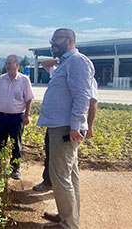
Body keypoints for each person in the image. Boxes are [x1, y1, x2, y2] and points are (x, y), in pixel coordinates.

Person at [36, 28, 95, 229]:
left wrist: (76, 126)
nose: (52, 43)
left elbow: (81, 96)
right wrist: (56, 61)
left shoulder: (77, 61)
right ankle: (68, 217)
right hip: (61, 126)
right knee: (70, 175)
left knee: (60, 176)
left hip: (65, 128)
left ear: (70, 40)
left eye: (56, 39)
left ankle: (68, 224)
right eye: (51, 40)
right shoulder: (66, 62)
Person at [33, 59, 99, 191]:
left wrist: (89, 126)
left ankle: (64, 195)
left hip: (69, 126)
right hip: (55, 123)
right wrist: (60, 60)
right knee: (51, 154)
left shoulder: (86, 78)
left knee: (65, 164)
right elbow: (44, 63)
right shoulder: (60, 73)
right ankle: (50, 182)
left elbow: (92, 103)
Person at [0, 55, 34, 179]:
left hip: (17, 118)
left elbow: (29, 99)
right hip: (1, 117)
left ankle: (15, 169)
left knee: (16, 144)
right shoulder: (1, 79)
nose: (7, 66)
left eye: (10, 63)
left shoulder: (24, 80)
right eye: (6, 63)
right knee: (0, 143)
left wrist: (27, 115)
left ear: (17, 65)